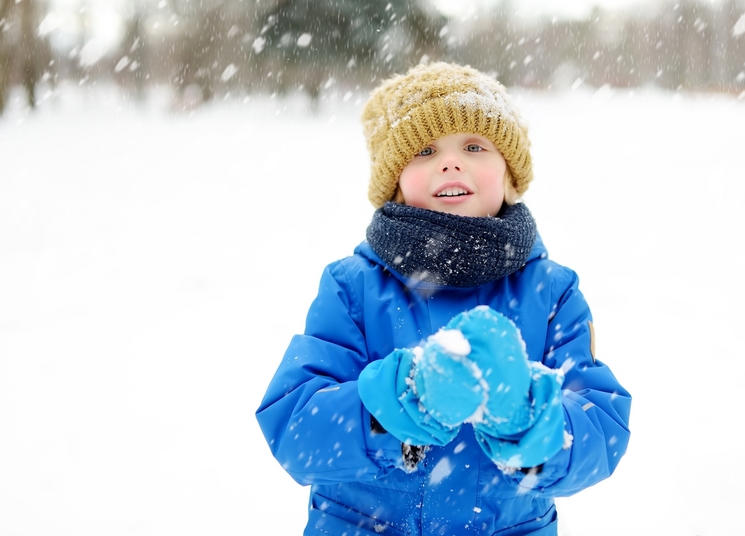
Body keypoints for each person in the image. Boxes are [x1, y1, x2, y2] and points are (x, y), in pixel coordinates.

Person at [255, 62, 631, 536]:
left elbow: (602, 427)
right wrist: (396, 405)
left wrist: (529, 423)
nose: (451, 163)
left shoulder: (552, 292)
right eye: (425, 149)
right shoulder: (352, 288)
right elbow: (295, 426)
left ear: (509, 175)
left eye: (474, 146)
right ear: (395, 184)